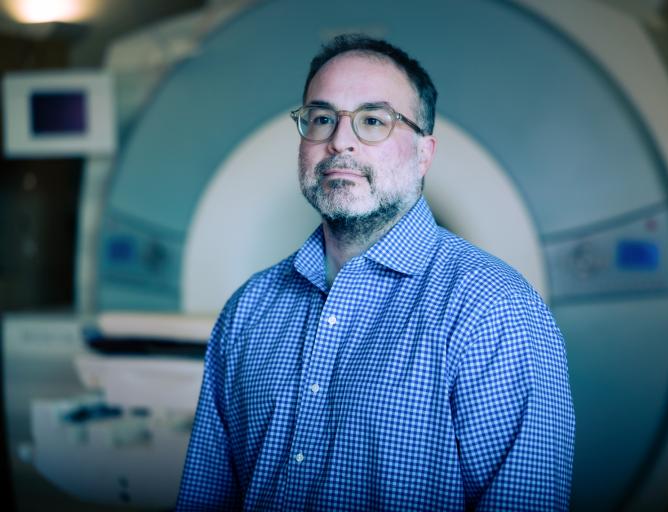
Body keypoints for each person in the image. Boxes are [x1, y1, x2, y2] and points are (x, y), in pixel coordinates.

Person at [176, 34, 575, 511]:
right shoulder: (249, 309)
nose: (339, 141)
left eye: (372, 120)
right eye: (321, 119)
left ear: (424, 154)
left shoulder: (495, 311)